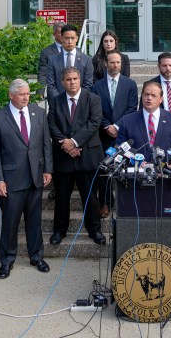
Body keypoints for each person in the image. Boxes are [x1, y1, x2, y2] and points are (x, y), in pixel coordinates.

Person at [0, 79, 53, 279]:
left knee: (34, 221)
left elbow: (45, 144)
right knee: (9, 223)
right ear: (11, 95)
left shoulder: (39, 114)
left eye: (27, 94)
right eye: (21, 94)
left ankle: (36, 257)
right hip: (11, 181)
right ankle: (6, 261)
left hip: (35, 177)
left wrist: (48, 169)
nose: (26, 97)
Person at [47, 67, 105, 246]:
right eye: (68, 79)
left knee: (90, 197)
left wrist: (74, 141)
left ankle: (94, 230)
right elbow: (51, 123)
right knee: (62, 197)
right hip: (63, 157)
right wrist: (66, 145)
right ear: (62, 82)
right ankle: (59, 231)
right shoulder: (56, 101)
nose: (72, 82)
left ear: (79, 80)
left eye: (75, 79)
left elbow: (94, 122)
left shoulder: (92, 98)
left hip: (87, 155)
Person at [91, 51, 138, 217]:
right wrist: (107, 126)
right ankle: (106, 203)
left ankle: (126, 203)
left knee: (125, 169)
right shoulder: (96, 86)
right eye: (112, 62)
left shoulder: (130, 84)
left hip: (124, 134)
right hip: (103, 135)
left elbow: (132, 108)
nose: (115, 65)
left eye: (118, 62)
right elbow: (95, 112)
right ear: (105, 63)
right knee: (104, 171)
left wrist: (117, 126)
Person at [116, 81, 171, 160]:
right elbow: (121, 148)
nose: (149, 98)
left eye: (153, 95)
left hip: (166, 170)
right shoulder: (127, 120)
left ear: (161, 99)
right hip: (137, 169)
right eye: (146, 94)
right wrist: (134, 161)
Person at [44, 24, 93, 99]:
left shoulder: (87, 60)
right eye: (66, 38)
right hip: (58, 104)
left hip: (80, 104)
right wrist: (61, 101)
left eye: (72, 38)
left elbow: (88, 85)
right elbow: (51, 85)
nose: (70, 41)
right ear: (62, 38)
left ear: (77, 38)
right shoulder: (52, 60)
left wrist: (77, 100)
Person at [37, 22, 65, 97]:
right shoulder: (46, 52)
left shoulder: (77, 51)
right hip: (55, 93)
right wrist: (40, 91)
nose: (63, 35)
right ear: (54, 34)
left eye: (64, 32)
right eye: (60, 33)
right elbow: (43, 73)